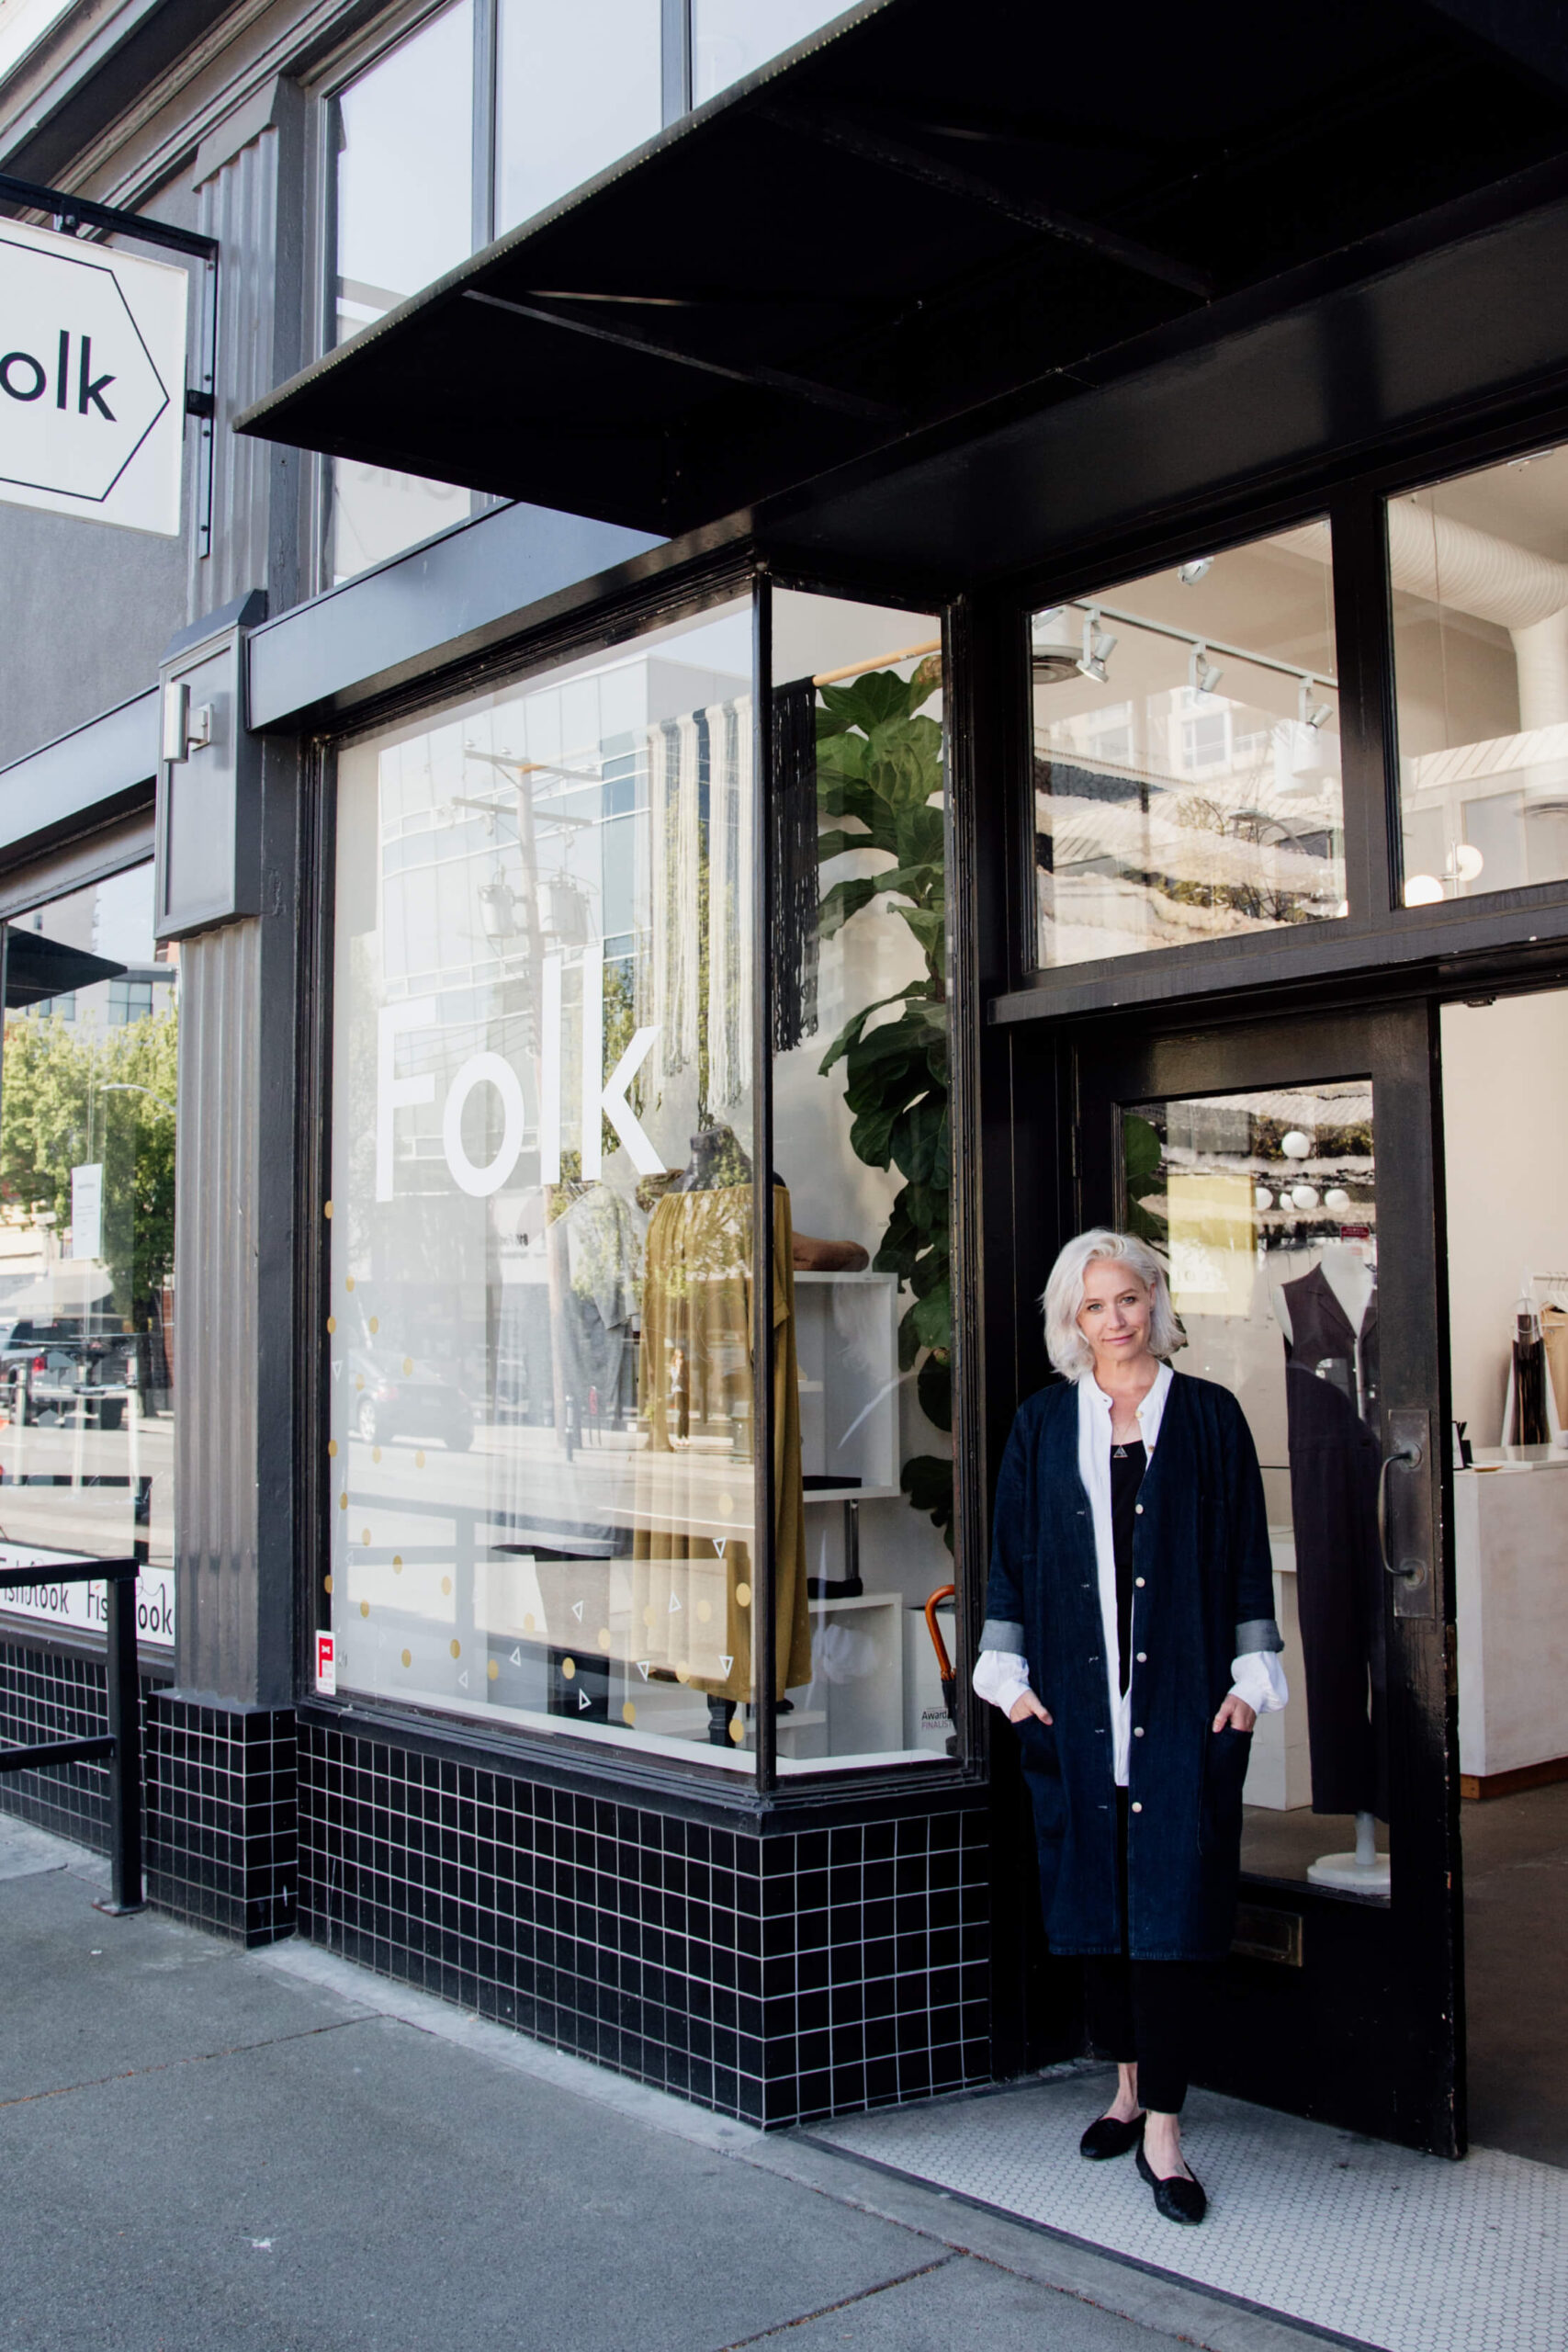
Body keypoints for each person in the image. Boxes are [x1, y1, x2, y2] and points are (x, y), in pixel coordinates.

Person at [974, 1228, 1288, 2225]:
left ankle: (1164, 2128)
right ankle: (1122, 2085)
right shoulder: (1040, 1426)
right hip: (1073, 1703)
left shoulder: (1206, 1417)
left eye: (1129, 1298)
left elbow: (1243, 1549)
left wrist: (1250, 1678)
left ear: (1155, 1300)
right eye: (1095, 1305)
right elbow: (1011, 1559)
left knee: (1172, 1910)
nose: (1115, 1320)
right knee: (1100, 1910)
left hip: (1184, 1704)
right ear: (1074, 1321)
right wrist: (1008, 1679)